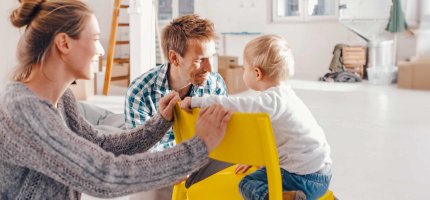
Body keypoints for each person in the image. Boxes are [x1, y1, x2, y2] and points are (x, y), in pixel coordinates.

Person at [0, 1, 232, 199]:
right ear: (64, 43)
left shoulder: (62, 100)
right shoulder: (24, 110)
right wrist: (198, 146)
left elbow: (101, 145)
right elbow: (104, 174)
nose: (101, 51)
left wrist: (160, 122)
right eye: (96, 39)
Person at [181, 35, 332, 200]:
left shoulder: (271, 101)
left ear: (257, 73)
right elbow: (282, 141)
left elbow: (237, 105)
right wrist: (256, 158)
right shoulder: (285, 97)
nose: (244, 72)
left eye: (245, 68)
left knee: (248, 184)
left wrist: (199, 101)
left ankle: (284, 198)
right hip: (319, 173)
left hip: (304, 179)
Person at [125, 14, 231, 189]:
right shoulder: (139, 92)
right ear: (174, 58)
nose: (210, 68)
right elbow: (142, 156)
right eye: (200, 60)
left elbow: (225, 137)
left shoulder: (215, 83)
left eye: (211, 57)